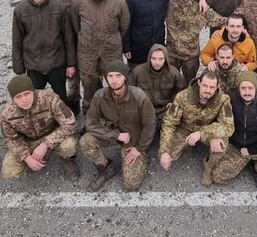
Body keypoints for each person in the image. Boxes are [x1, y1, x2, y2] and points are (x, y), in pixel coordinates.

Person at [80, 60, 157, 192]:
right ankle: (105, 168)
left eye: (118, 76)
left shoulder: (139, 96)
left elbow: (150, 124)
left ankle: (143, 158)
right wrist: (116, 135)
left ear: (125, 77)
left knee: (130, 185)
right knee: (86, 141)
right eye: (110, 76)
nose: (114, 80)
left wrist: (139, 148)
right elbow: (90, 123)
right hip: (113, 136)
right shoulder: (99, 95)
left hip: (132, 141)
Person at [70, 0, 130, 114]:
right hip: (87, 53)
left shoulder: (118, 2)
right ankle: (90, 115)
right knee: (89, 87)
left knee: (115, 85)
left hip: (111, 52)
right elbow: (76, 25)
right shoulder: (78, 1)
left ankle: (115, 114)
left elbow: (124, 26)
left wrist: (111, 40)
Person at [123, 0, 207, 69]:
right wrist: (126, 47)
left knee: (157, 74)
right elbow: (125, 24)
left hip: (158, 47)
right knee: (135, 75)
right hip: (137, 48)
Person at [158, 71, 234, 185]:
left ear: (217, 86)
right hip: (185, 129)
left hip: (206, 130)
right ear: (199, 82)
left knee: (221, 143)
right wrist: (165, 151)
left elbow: (228, 126)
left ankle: (208, 167)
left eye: (212, 87)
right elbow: (169, 123)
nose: (207, 90)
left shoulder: (223, 99)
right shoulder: (182, 96)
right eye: (205, 85)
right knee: (167, 154)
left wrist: (203, 133)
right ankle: (187, 146)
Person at [12, 0, 76, 106]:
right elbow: (17, 41)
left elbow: (68, 38)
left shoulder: (59, 7)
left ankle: (66, 118)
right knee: (34, 101)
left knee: (61, 98)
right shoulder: (20, 10)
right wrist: (19, 70)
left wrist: (71, 63)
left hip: (56, 63)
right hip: (33, 66)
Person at [0, 75, 79, 181]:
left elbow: (70, 123)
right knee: (9, 172)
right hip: (29, 141)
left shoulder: (49, 98)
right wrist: (26, 157)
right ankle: (32, 163)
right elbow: (11, 139)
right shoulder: (7, 113)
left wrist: (45, 144)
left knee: (68, 146)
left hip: (53, 134)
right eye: (18, 97)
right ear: (13, 99)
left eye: (27, 94)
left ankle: (68, 160)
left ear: (33, 91)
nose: (24, 100)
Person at [165, 0, 227, 82]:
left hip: (191, 56)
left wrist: (220, 31)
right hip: (171, 54)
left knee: (191, 83)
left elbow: (224, 22)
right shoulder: (169, 3)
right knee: (170, 82)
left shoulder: (201, 6)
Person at [53, 0, 87, 113]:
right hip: (68, 46)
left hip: (87, 45)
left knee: (91, 80)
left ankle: (92, 109)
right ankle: (74, 109)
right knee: (72, 81)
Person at [128, 44, 186, 124]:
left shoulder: (174, 73)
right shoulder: (137, 72)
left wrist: (173, 101)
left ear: (166, 59)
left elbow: (182, 90)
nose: (157, 62)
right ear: (149, 58)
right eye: (154, 58)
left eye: (161, 59)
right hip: (144, 108)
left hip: (165, 108)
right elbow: (129, 90)